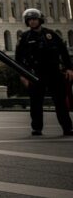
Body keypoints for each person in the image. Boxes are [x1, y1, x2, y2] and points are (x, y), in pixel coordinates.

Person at [15, 8, 73, 136]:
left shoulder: (52, 35)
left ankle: (67, 128)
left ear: (40, 20)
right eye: (29, 20)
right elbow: (18, 59)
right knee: (36, 103)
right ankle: (37, 128)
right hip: (35, 74)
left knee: (60, 102)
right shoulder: (24, 38)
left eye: (34, 19)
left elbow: (64, 52)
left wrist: (69, 68)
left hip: (54, 73)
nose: (32, 22)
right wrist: (23, 75)